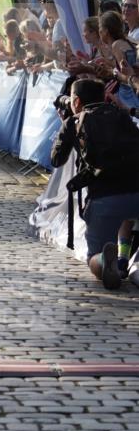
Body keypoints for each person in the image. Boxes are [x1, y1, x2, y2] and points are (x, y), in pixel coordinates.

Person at [51, 77, 139, 289]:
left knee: (94, 256)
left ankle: (104, 260)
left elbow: (56, 159)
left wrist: (66, 124)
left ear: (77, 102)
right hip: (137, 190)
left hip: (104, 198)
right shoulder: (121, 116)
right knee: (128, 212)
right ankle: (125, 257)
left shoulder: (75, 122)